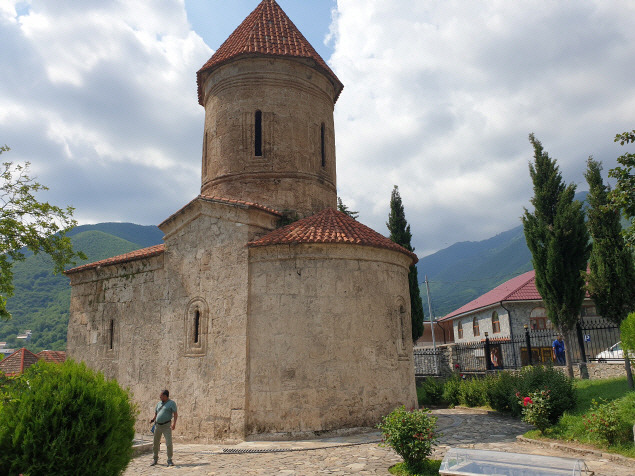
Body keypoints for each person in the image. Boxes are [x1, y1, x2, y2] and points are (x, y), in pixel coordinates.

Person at [150, 389, 178, 466]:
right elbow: (156, 412)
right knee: (155, 443)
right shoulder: (159, 403)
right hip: (158, 425)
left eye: (161, 395)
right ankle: (155, 459)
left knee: (169, 443)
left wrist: (174, 424)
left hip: (166, 426)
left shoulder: (172, 403)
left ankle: (169, 460)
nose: (160, 396)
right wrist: (153, 419)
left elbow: (175, 414)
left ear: (165, 396)